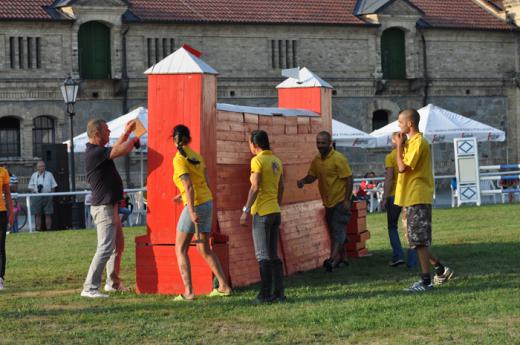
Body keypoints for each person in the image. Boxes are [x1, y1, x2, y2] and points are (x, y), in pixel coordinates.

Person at [394, 109, 454, 292]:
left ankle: (426, 281)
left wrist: (398, 145)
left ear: (410, 124)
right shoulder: (410, 142)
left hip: (417, 195)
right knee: (415, 240)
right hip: (409, 196)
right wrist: (402, 145)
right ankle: (440, 268)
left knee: (419, 241)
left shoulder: (419, 142)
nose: (398, 125)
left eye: (400, 122)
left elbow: (403, 167)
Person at [172, 124, 231, 301]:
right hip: (206, 202)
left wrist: (190, 210)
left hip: (195, 205)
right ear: (188, 139)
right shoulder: (196, 156)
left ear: (174, 140)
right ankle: (224, 286)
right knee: (203, 247)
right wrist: (180, 195)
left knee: (180, 249)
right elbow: (202, 183)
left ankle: (189, 292)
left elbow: (189, 186)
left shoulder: (179, 159)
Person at [80, 119, 138, 298]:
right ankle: (89, 288)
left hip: (110, 206)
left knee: (117, 245)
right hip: (103, 208)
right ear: (96, 134)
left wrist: (127, 133)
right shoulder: (94, 152)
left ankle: (112, 283)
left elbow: (115, 148)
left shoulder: (99, 151)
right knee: (105, 247)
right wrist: (134, 139)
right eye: (106, 130)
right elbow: (121, 150)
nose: (110, 132)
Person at [297, 131, 353, 272]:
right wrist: (303, 181)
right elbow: (312, 176)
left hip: (340, 201)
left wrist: (347, 200)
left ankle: (331, 260)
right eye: (318, 142)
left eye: (323, 143)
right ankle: (344, 258)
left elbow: (349, 179)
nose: (320, 145)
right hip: (328, 202)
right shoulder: (317, 160)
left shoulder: (339, 159)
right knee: (335, 230)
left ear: (330, 143)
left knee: (338, 230)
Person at [240, 130, 285, 303]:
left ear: (255, 144)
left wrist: (245, 210)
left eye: (249, 143)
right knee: (273, 254)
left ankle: (264, 294)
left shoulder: (257, 160)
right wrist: (277, 203)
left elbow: (255, 187)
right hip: (274, 210)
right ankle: (279, 293)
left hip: (261, 212)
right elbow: (281, 186)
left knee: (262, 255)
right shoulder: (276, 160)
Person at [380, 132, 417, 268]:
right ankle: (413, 261)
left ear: (394, 142)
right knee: (410, 228)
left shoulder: (390, 157)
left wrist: (384, 196)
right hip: (409, 194)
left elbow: (389, 178)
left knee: (392, 226)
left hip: (394, 195)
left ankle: (398, 255)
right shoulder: (409, 154)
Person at [28, 160, 57, 231]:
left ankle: (49, 229)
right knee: (37, 214)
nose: (42, 168)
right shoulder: (34, 175)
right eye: (40, 166)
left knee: (48, 213)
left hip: (48, 195)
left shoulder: (49, 174)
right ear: (37, 167)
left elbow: (53, 186)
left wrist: (51, 195)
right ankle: (38, 229)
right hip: (37, 196)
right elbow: (30, 187)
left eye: (43, 166)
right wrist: (35, 192)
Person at [0, 166, 14, 290]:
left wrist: (12, 213)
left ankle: (0, 278)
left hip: (1, 213)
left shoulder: (3, 172)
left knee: (0, 246)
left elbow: (8, 194)